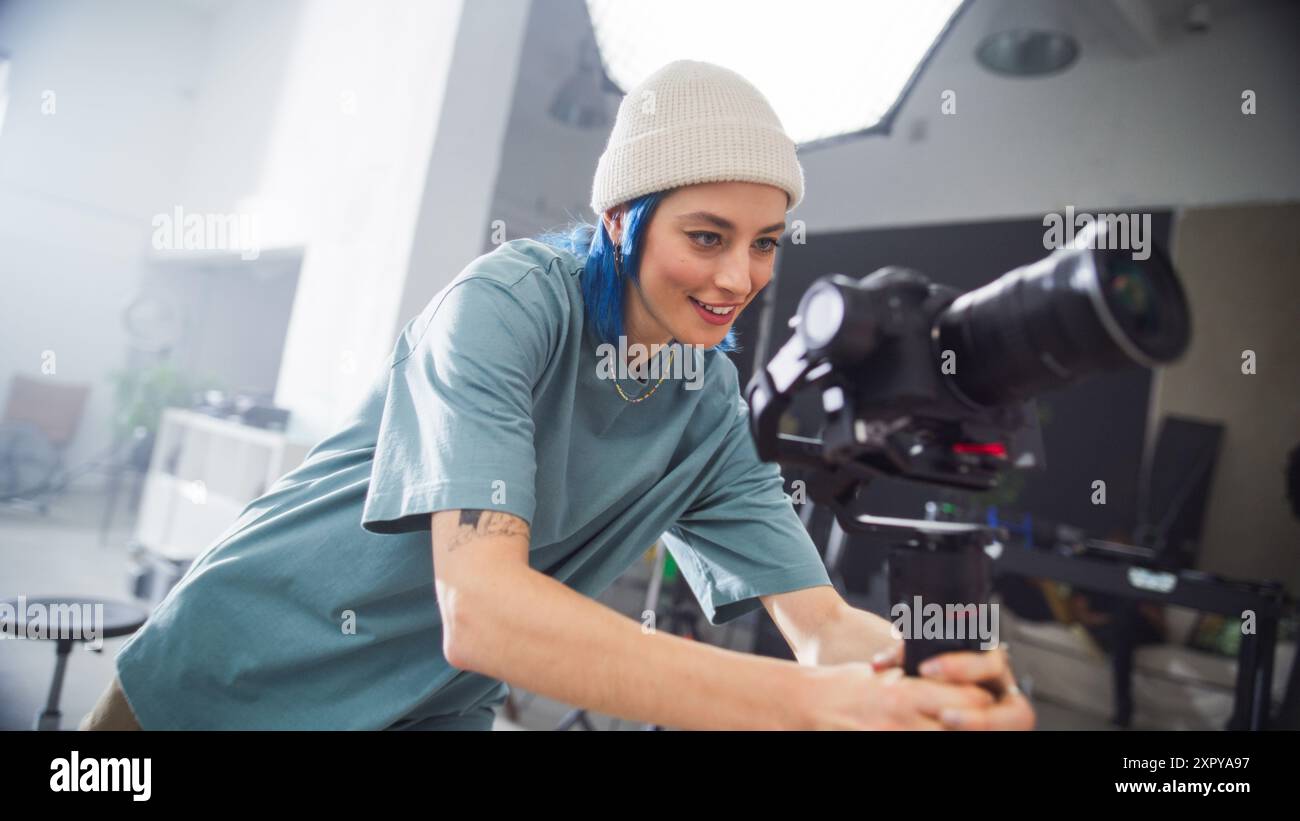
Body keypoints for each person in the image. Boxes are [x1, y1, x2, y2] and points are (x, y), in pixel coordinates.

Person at [81, 59, 1033, 731]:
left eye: (766, 241)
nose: (740, 275)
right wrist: (810, 708)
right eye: (706, 236)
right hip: (233, 680)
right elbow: (482, 608)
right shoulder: (507, 306)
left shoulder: (706, 407)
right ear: (622, 219)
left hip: (422, 711)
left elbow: (819, 622)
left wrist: (931, 688)